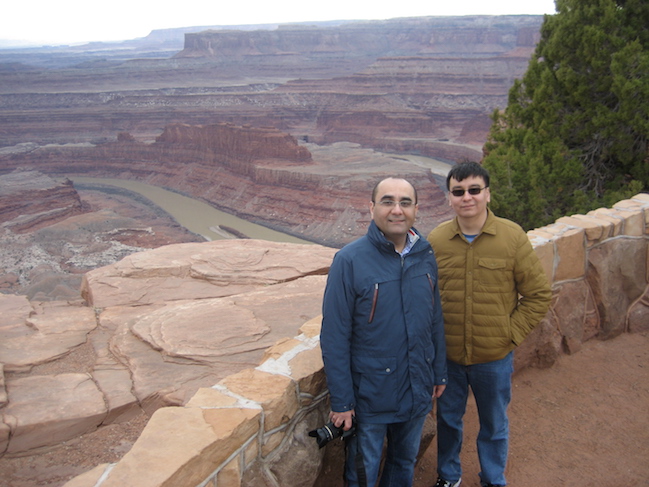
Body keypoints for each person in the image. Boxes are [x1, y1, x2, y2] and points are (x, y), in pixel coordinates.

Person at [427, 161, 552, 487]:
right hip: (449, 358)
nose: (466, 197)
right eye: (458, 191)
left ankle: (493, 478)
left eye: (474, 190)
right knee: (449, 421)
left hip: (494, 358)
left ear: (488, 194)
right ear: (450, 197)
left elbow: (538, 295)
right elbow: (423, 297)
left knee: (494, 423)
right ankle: (449, 476)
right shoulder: (437, 240)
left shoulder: (511, 237)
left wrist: (508, 335)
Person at [321, 177, 448, 487]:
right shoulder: (349, 261)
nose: (397, 210)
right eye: (388, 201)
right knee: (363, 471)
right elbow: (334, 336)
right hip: (371, 395)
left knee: (404, 463)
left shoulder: (425, 256)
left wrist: (439, 373)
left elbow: (434, 319)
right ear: (372, 208)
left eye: (405, 202)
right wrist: (341, 401)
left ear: (416, 209)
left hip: (417, 385)